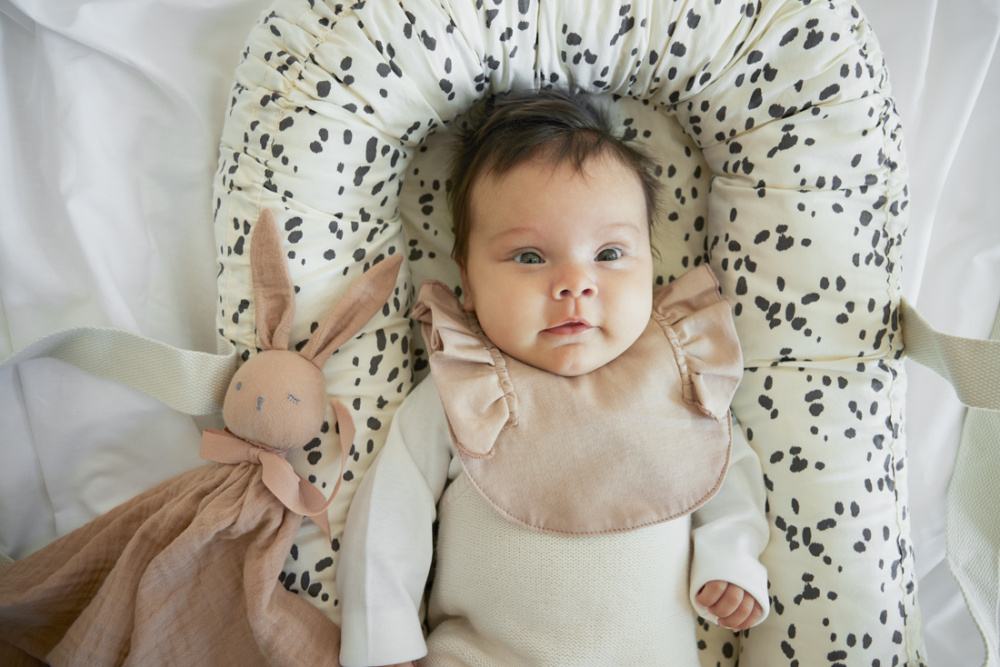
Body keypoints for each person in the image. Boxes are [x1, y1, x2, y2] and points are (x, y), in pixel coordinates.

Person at [337, 88, 769, 666]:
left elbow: (725, 473)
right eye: (530, 257)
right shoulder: (465, 387)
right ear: (468, 279)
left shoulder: (680, 372)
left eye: (609, 254)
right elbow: (391, 515)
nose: (575, 285)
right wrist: (385, 639)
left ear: (651, 262)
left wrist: (732, 561)